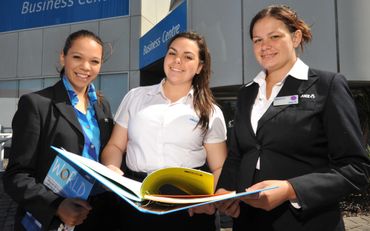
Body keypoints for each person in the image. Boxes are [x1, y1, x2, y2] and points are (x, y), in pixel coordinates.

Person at [214, 4, 370, 231]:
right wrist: (224, 191)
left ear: (296, 37)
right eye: (257, 40)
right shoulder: (246, 93)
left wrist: (291, 189)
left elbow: (356, 168)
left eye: (274, 36)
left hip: (308, 223)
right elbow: (238, 155)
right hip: (248, 221)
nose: (264, 46)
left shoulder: (327, 85)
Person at [101, 31, 227, 230]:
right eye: (172, 53)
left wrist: (209, 199)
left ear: (200, 67)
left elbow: (219, 167)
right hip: (136, 199)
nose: (177, 61)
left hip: (189, 204)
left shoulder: (210, 111)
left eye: (188, 57)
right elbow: (115, 145)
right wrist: (111, 168)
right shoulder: (135, 97)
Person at [3, 30, 121, 230]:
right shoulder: (37, 104)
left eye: (94, 61)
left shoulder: (102, 106)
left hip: (97, 214)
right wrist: (56, 206)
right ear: (63, 57)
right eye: (77, 57)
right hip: (51, 219)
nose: (86, 67)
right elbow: (16, 175)